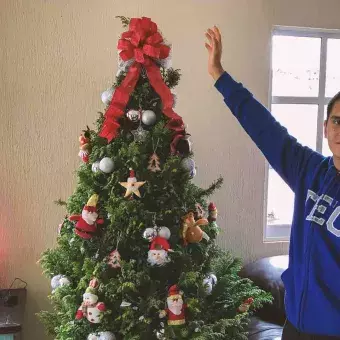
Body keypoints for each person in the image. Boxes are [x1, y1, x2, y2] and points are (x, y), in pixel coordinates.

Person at [205, 26, 340, 339]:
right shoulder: (309, 169)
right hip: (295, 327)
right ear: (325, 127)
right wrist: (219, 75)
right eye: (337, 120)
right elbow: (265, 128)